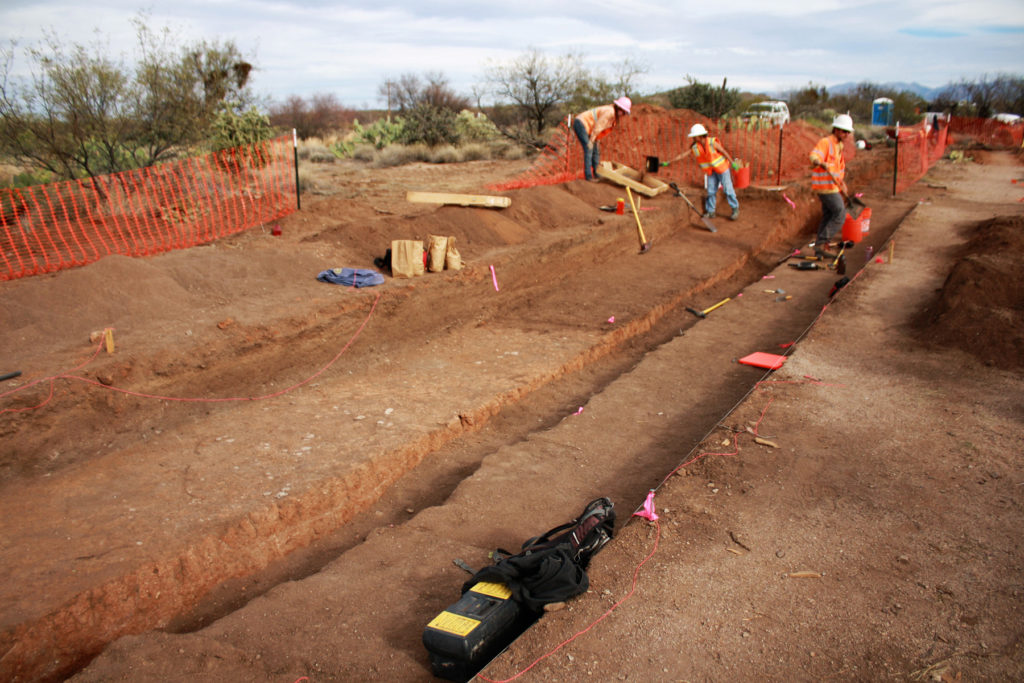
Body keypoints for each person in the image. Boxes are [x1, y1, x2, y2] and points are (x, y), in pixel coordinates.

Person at [809, 114, 854, 257]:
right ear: (836, 129)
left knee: (829, 215)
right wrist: (819, 162)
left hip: (833, 187)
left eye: (847, 132)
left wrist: (843, 184)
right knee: (840, 213)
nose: (845, 134)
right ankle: (822, 243)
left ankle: (819, 246)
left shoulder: (838, 146)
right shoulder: (826, 142)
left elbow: (838, 170)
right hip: (824, 187)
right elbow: (813, 155)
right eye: (843, 131)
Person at [686, 123, 740, 221]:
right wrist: (669, 162)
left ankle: (735, 209)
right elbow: (684, 154)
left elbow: (723, 151)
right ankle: (711, 211)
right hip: (711, 171)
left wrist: (732, 163)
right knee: (711, 191)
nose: (693, 138)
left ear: (699, 135)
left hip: (722, 169)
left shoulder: (711, 142)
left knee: (728, 189)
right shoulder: (696, 147)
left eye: (694, 136)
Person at [572, 97, 631, 181]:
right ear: (619, 108)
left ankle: (597, 174)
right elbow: (599, 125)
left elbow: (601, 128)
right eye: (624, 112)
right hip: (581, 124)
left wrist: (596, 139)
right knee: (589, 148)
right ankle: (588, 177)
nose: (623, 115)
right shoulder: (610, 112)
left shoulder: (614, 115)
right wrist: (592, 140)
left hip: (589, 128)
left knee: (596, 152)